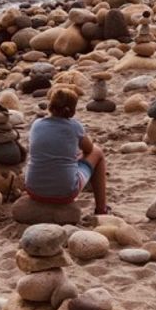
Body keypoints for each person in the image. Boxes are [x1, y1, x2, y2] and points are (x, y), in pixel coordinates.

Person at [24, 86, 108, 214]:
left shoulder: (37, 124)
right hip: (65, 193)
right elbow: (89, 148)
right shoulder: (75, 126)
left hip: (33, 190)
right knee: (97, 153)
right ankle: (101, 209)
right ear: (72, 110)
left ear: (50, 105)